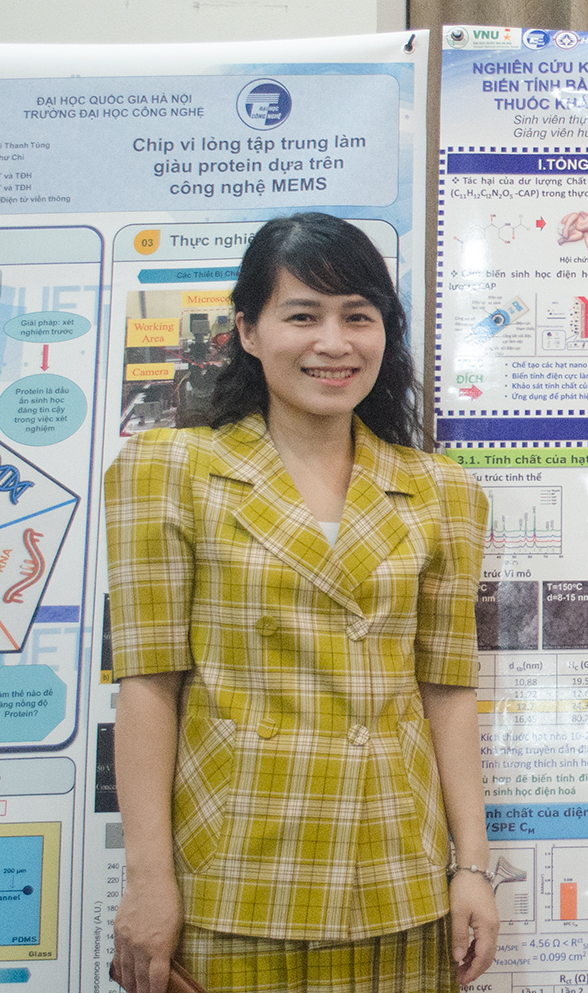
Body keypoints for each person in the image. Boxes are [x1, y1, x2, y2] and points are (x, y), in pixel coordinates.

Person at [106, 213, 499, 993]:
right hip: (234, 877)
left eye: (358, 316)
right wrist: (149, 882)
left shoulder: (443, 491)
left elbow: (447, 689)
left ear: (385, 332)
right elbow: (148, 683)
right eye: (302, 315)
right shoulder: (168, 470)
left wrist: (473, 866)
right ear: (248, 332)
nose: (334, 342)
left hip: (398, 878)